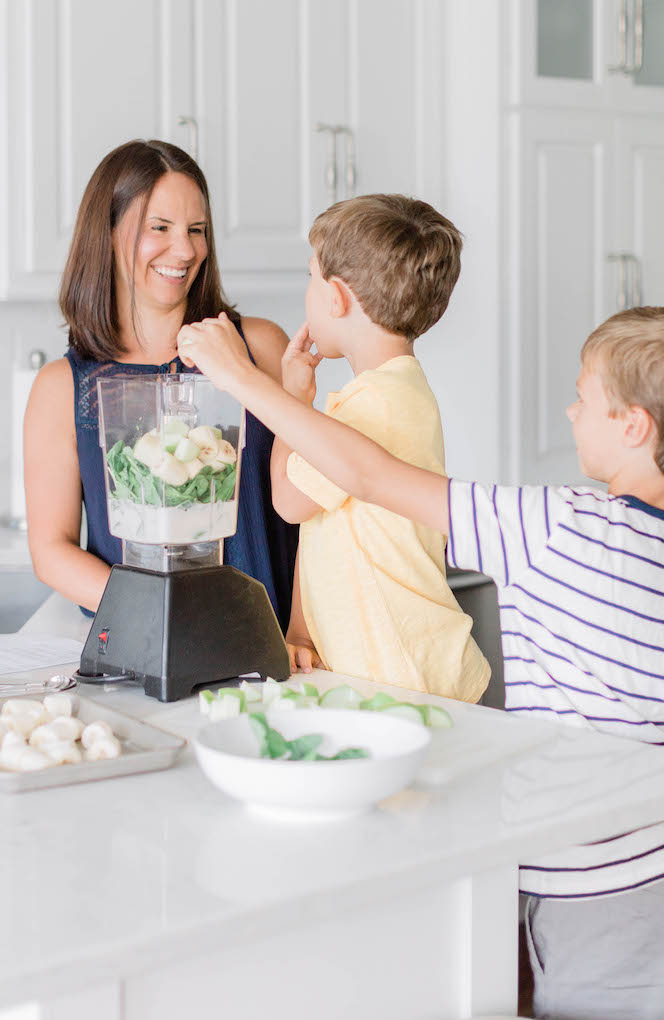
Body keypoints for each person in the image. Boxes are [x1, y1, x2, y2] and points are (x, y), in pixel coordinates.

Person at [179, 304, 664, 1019]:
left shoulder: (557, 526)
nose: (569, 410)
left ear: (633, 426)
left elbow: (369, 475)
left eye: (584, 396)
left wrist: (243, 379)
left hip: (583, 882)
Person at [184, 193, 490, 702]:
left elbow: (287, 500)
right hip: (391, 670)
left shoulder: (374, 408)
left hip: (403, 675)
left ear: (337, 298)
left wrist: (277, 392)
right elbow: (320, 518)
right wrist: (302, 629)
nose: (307, 290)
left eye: (310, 276)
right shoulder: (388, 393)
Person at [24, 139, 298, 631]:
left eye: (197, 230)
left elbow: (315, 511)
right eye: (161, 228)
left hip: (273, 649)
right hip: (143, 648)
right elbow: (51, 549)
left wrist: (300, 630)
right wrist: (161, 614)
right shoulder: (63, 387)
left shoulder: (260, 349)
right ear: (107, 234)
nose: (186, 249)